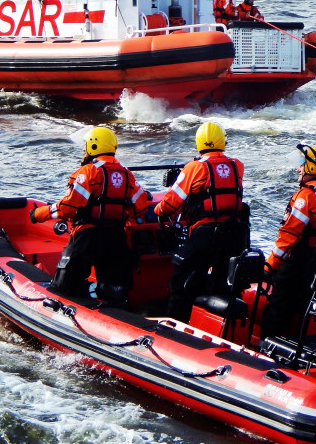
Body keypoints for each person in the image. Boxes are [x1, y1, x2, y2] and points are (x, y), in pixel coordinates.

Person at [30, 126, 152, 306]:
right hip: (117, 237)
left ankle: (99, 291)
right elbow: (140, 207)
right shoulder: (126, 174)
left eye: (86, 145)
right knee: (118, 286)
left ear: (94, 147)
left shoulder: (88, 171)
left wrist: (39, 214)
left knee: (64, 286)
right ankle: (108, 295)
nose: (83, 149)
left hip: (88, 236)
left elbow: (69, 206)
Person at [154, 121, 247, 320]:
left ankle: (172, 326)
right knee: (220, 282)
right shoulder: (237, 165)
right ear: (223, 141)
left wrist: (158, 211)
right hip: (233, 236)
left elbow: (170, 202)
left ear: (199, 143)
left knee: (181, 282)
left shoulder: (194, 168)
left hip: (205, 236)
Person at [261, 144, 316, 341]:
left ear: (312, 168)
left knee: (276, 309)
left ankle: (266, 348)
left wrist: (269, 266)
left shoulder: (305, 197)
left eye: (301, 164)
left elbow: (288, 237)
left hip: (297, 266)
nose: (298, 169)